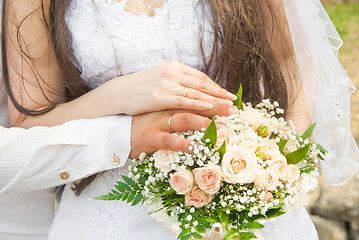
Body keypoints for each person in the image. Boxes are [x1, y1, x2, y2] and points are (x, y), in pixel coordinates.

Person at [1, 0, 358, 240]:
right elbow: (32, 124)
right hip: (110, 211)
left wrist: (272, 179)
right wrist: (118, 95)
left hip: (244, 199)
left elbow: (290, 66)